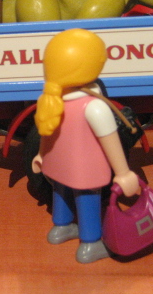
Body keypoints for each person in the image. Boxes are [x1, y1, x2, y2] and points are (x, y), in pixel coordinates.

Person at [32, 28, 140, 263]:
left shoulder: (49, 101)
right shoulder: (94, 107)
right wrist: (123, 172)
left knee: (60, 191)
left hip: (57, 165)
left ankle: (61, 228)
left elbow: (45, 132)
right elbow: (110, 141)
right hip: (85, 170)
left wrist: (41, 155)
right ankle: (91, 242)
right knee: (87, 198)